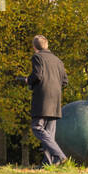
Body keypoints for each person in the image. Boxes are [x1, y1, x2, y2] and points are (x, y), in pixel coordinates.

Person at [17, 35, 69, 166]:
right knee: (49, 133)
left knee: (37, 127)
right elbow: (65, 82)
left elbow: (37, 75)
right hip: (56, 99)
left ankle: (60, 155)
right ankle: (48, 164)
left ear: (35, 47)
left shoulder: (37, 57)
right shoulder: (58, 61)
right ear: (46, 45)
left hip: (42, 98)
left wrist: (27, 80)